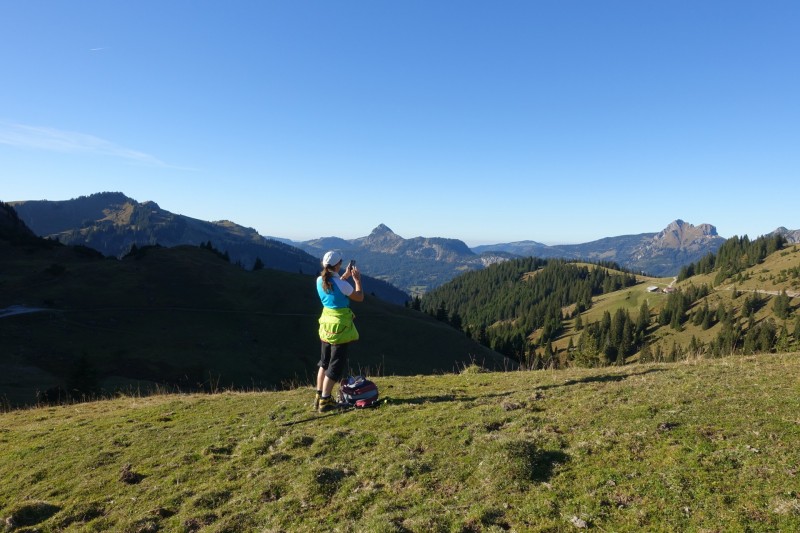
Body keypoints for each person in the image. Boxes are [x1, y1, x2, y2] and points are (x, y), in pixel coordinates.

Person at [314, 250, 363, 412]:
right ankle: (326, 401)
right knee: (335, 366)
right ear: (338, 265)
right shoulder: (342, 285)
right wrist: (357, 280)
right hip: (340, 328)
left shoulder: (319, 280)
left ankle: (319, 395)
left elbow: (335, 289)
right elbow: (359, 297)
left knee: (324, 362)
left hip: (326, 325)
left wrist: (345, 276)